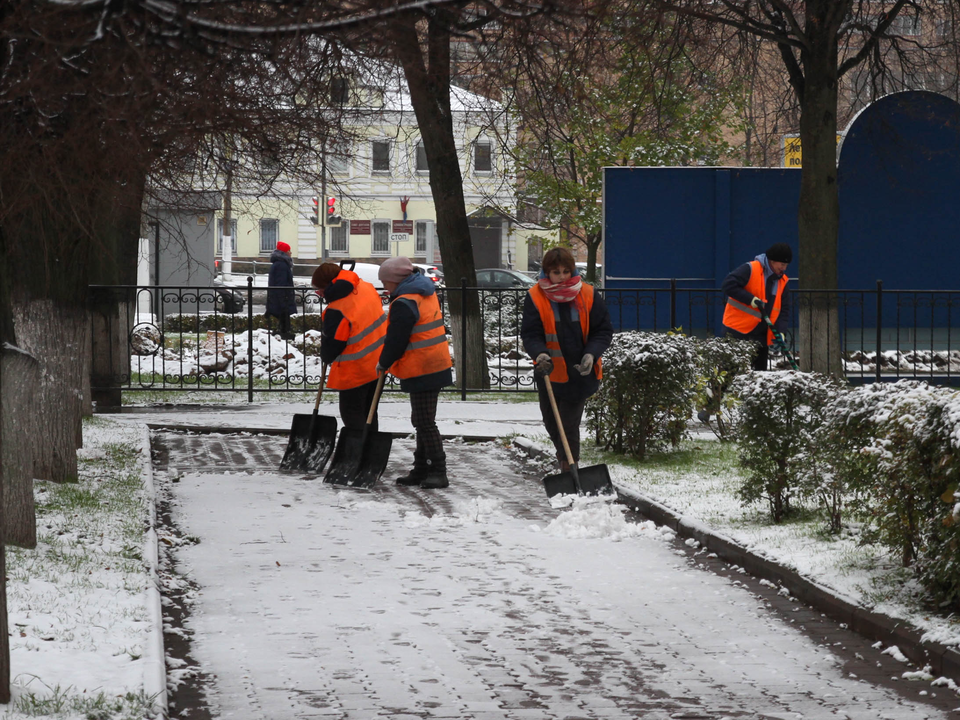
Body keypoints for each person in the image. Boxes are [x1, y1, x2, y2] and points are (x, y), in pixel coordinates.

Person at [521, 247, 613, 472]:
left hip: (580, 372)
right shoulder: (535, 296)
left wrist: (591, 354)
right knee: (552, 423)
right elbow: (531, 333)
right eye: (556, 272)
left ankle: (569, 468)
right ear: (546, 273)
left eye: (565, 271)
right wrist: (540, 353)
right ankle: (564, 458)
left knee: (567, 424)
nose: (561, 277)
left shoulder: (589, 294)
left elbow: (602, 330)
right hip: (550, 371)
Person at [376, 256, 453, 489]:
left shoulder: (404, 302)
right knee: (422, 420)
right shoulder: (424, 292)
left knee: (424, 421)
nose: (384, 287)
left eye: (385, 282)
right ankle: (421, 469)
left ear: (395, 280)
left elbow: (396, 340)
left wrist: (384, 362)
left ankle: (438, 470)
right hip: (434, 362)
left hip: (423, 367)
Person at [311, 262, 387, 431]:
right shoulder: (365, 287)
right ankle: (371, 452)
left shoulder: (338, 309)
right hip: (379, 362)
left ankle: (357, 452)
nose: (319, 294)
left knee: (352, 415)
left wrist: (325, 355)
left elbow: (333, 345)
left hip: (356, 369)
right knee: (369, 413)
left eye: (319, 289)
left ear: (329, 285)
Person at [721, 241, 792, 372]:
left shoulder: (782, 281)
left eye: (786, 265)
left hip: (761, 334)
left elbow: (784, 310)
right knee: (730, 370)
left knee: (760, 374)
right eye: (782, 264)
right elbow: (728, 285)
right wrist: (750, 299)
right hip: (738, 329)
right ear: (772, 260)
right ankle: (722, 392)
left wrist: (781, 331)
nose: (784, 268)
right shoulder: (751, 269)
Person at [266, 240, 297, 340]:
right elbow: (281, 284)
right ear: (284, 252)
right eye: (289, 250)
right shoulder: (282, 265)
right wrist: (284, 301)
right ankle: (283, 337)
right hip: (282, 299)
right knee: (284, 323)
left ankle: (283, 335)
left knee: (283, 322)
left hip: (279, 299)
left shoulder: (279, 264)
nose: (290, 252)